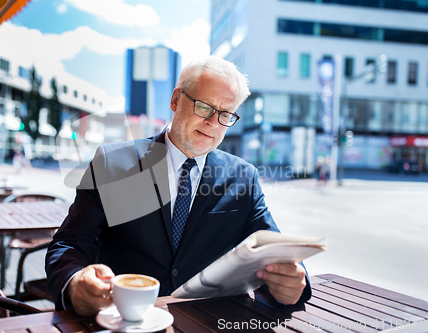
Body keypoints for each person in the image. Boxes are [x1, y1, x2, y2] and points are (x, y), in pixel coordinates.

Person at [46, 56, 311, 316]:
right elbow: (69, 243)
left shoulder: (244, 178)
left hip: (210, 322)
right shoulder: (113, 163)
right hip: (127, 320)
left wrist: (293, 281)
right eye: (204, 107)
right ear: (175, 100)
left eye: (225, 114)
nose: (212, 123)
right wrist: (75, 281)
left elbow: (273, 252)